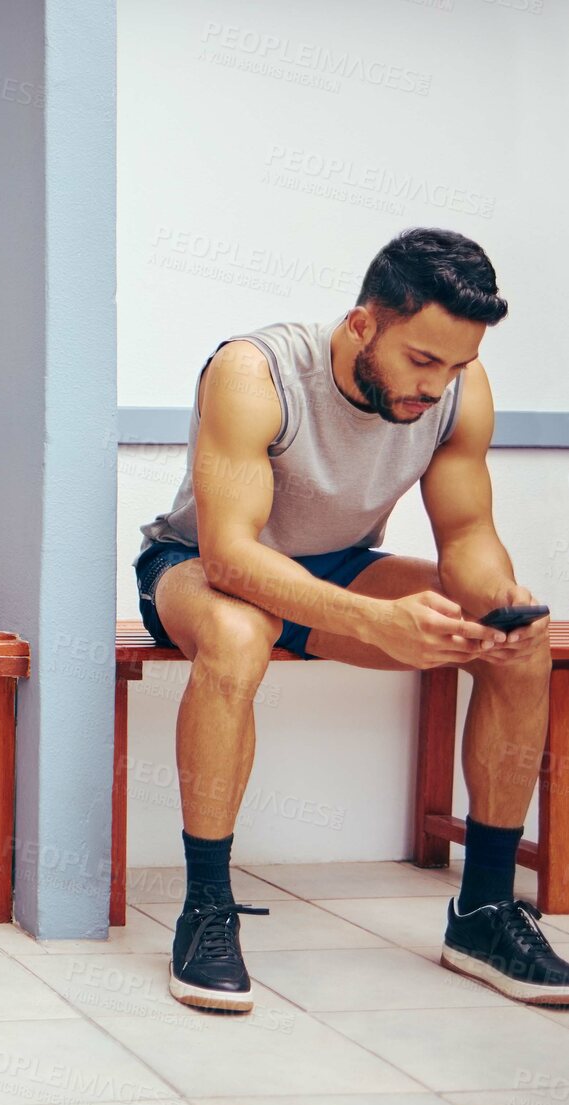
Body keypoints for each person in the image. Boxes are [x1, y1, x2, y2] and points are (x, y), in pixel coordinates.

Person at [134, 227, 560, 1013]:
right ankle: (205, 911)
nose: (436, 386)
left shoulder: (459, 389)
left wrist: (499, 600)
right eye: (421, 360)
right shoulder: (254, 372)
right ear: (362, 324)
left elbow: (465, 537)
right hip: (199, 566)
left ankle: (485, 911)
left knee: (516, 649)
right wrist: (372, 620)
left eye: (456, 364)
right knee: (235, 631)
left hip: (336, 562)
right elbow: (230, 556)